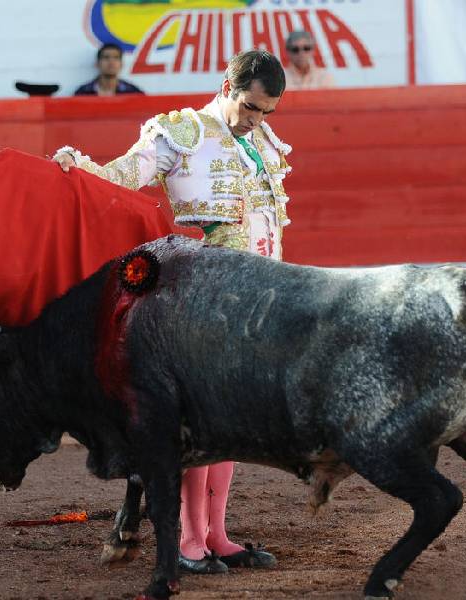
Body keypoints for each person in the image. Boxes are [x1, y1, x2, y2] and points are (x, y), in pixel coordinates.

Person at [55, 49, 290, 575]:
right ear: (227, 86)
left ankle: (216, 535)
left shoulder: (264, 143)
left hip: (256, 300)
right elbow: (122, 175)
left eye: (267, 112)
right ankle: (188, 541)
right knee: (199, 421)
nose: (257, 120)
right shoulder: (183, 132)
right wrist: (80, 167)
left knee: (230, 421)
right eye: (251, 107)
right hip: (199, 300)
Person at [73, 43, 143, 96]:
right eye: (106, 57)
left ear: (121, 64)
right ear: (97, 64)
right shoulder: (83, 93)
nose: (111, 62)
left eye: (116, 58)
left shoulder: (133, 92)